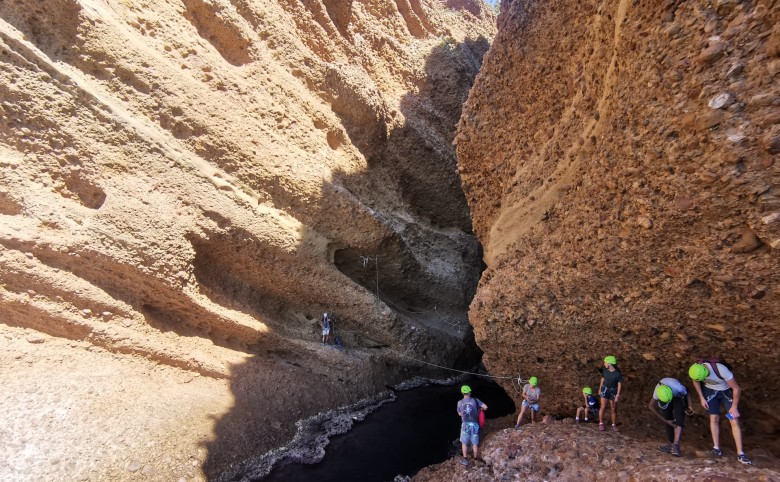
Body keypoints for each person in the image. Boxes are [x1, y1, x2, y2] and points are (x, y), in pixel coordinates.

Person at [689, 361, 752, 464]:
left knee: (733, 420)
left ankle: (740, 453)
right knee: (713, 418)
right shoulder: (696, 369)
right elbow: (695, 381)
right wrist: (701, 398)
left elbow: (736, 389)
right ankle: (716, 449)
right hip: (710, 391)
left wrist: (734, 407)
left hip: (725, 391)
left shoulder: (721, 370)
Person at [647, 378, 692, 457]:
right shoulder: (657, 391)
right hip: (665, 396)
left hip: (678, 396)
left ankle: (676, 445)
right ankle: (670, 444)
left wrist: (690, 406)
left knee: (679, 418)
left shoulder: (678, 388)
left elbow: (687, 392)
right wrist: (665, 421)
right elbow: (651, 406)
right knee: (667, 417)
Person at [456, 385, 487, 467]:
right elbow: (485, 407)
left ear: (462, 393)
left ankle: (465, 459)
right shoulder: (475, 400)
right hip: (475, 425)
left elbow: (459, 413)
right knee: (475, 443)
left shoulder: (459, 402)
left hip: (465, 425)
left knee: (464, 443)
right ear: (469, 392)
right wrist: (480, 409)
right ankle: (475, 459)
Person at [598, 355, 623, 432]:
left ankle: (613, 425)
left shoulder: (618, 373)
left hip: (613, 392)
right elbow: (602, 380)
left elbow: (619, 385)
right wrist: (600, 388)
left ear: (610, 363)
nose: (604, 364)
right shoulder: (604, 371)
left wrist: (617, 395)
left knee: (613, 409)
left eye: (605, 362)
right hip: (605, 390)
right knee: (602, 407)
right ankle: (601, 423)